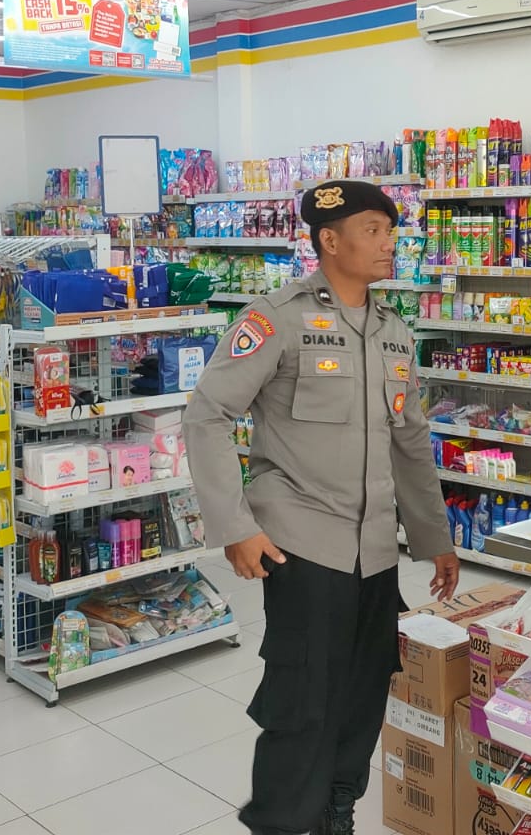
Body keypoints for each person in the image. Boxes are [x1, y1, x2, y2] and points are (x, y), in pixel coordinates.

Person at [183, 180, 458, 835]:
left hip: (375, 554)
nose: (389, 244)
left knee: (363, 697)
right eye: (373, 231)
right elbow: (207, 415)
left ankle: (338, 814)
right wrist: (235, 526)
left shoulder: (394, 333)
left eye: (391, 231)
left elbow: (410, 443)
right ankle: (282, 823)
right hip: (301, 544)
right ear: (329, 240)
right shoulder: (275, 318)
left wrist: (435, 538)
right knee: (302, 703)